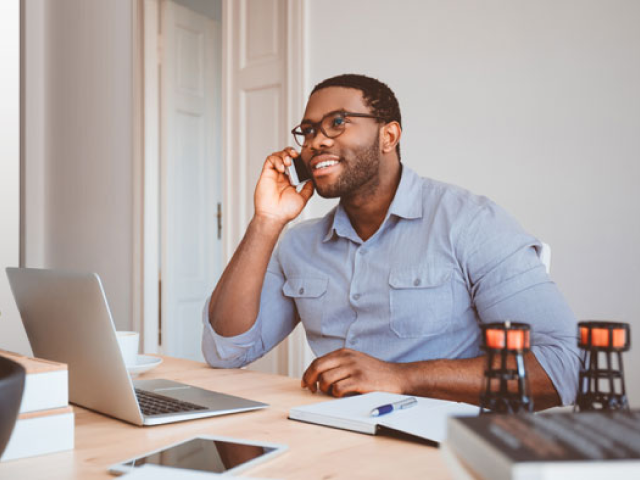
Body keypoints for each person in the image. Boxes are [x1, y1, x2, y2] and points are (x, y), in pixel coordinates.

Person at [202, 73, 580, 409]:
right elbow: (226, 351)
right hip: (333, 435)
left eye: (337, 123)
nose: (316, 141)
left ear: (389, 135)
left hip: (447, 444)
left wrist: (401, 377)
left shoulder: (471, 222)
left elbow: (563, 365)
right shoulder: (299, 244)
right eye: (309, 130)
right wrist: (266, 222)